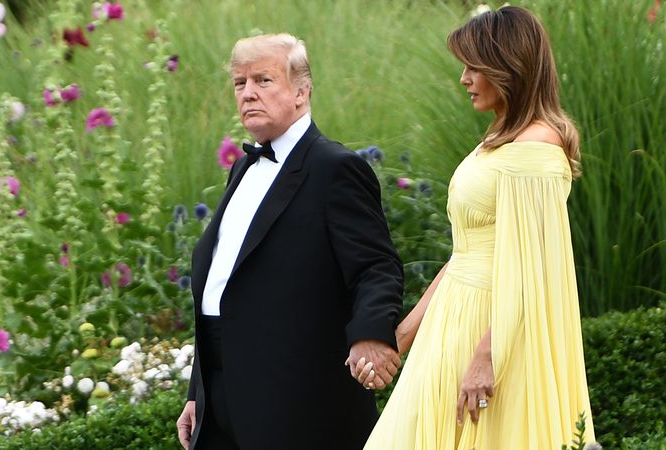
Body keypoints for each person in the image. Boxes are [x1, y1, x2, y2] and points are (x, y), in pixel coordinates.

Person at [361, 6, 596, 449]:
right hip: (455, 317)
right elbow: (465, 251)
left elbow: (536, 269)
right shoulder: (499, 139)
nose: (464, 79)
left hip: (493, 329)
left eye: (474, 67)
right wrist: (405, 335)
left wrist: (488, 357)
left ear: (507, 67)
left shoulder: (536, 149)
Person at [176, 33, 404, 450]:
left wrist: (369, 333)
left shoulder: (335, 168)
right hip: (221, 394)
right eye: (239, 83)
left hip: (297, 397)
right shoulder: (242, 169)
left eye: (263, 80)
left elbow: (376, 266)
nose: (247, 94)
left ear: (302, 91)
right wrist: (198, 393)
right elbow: (222, 287)